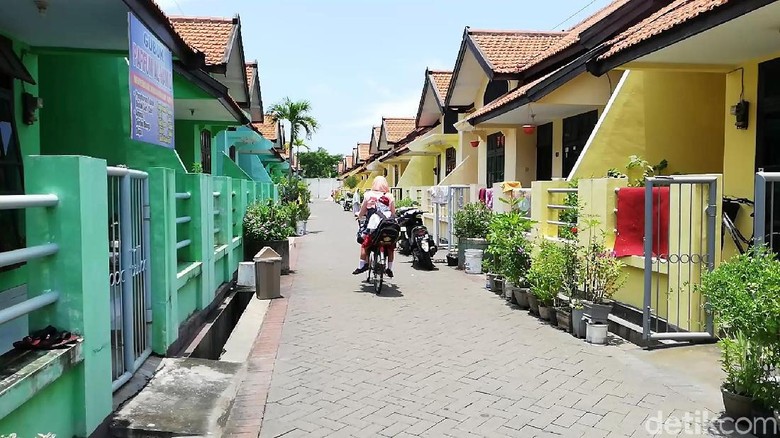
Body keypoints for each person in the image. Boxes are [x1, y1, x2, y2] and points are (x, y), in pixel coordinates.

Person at [353, 176, 396, 277]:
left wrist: (358, 215)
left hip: (372, 227)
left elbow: (363, 210)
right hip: (386, 227)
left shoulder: (368, 195)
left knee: (364, 244)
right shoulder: (389, 196)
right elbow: (393, 213)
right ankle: (389, 268)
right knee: (390, 247)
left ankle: (362, 265)